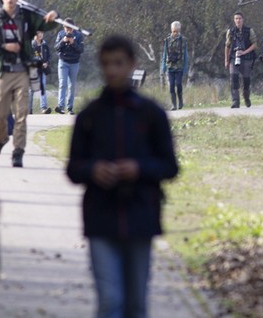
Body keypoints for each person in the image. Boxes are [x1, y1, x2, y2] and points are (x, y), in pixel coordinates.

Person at [67, 35, 179, 318]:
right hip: (100, 217)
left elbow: (169, 167)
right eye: (106, 64)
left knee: (136, 305)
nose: (112, 71)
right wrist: (93, 169)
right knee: (110, 301)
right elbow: (73, 169)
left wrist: (139, 168)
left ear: (132, 65)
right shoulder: (90, 116)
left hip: (140, 215)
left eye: (118, 64)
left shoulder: (151, 114)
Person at [0, 0, 58, 167]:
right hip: (2, 72)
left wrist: (53, 17)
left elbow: (46, 24)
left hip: (22, 71)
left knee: (21, 113)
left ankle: (18, 151)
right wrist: (3, 47)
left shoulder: (26, 17)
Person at [224, 11, 257, 108]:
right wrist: (226, 60)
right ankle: (235, 101)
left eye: (240, 18)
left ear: (243, 19)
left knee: (246, 80)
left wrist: (244, 52)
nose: (238, 20)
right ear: (234, 20)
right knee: (233, 78)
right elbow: (227, 46)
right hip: (234, 58)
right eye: (236, 18)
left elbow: (255, 45)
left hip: (247, 58)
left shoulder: (249, 31)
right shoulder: (230, 32)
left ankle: (246, 97)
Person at [55, 19, 85, 115]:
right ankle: (60, 106)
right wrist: (63, 41)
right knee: (62, 83)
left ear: (73, 27)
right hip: (63, 62)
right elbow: (56, 47)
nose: (67, 30)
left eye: (69, 28)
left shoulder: (79, 35)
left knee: (71, 86)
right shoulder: (60, 34)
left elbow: (81, 50)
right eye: (65, 27)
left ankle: (70, 108)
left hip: (74, 63)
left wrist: (73, 43)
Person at [160, 21, 189, 111]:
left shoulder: (183, 40)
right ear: (171, 31)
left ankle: (180, 101)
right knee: (171, 85)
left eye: (177, 31)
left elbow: (186, 55)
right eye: (174, 31)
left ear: (179, 31)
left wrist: (185, 68)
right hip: (170, 66)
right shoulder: (167, 40)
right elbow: (165, 53)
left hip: (179, 66)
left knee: (178, 84)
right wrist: (163, 67)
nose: (175, 33)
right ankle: (173, 104)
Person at [31, 31, 52, 114]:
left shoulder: (45, 44)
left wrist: (47, 63)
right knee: (31, 89)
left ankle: (43, 108)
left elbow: (49, 56)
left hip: (43, 69)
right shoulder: (31, 45)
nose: (40, 35)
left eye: (42, 33)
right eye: (38, 33)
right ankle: (29, 109)